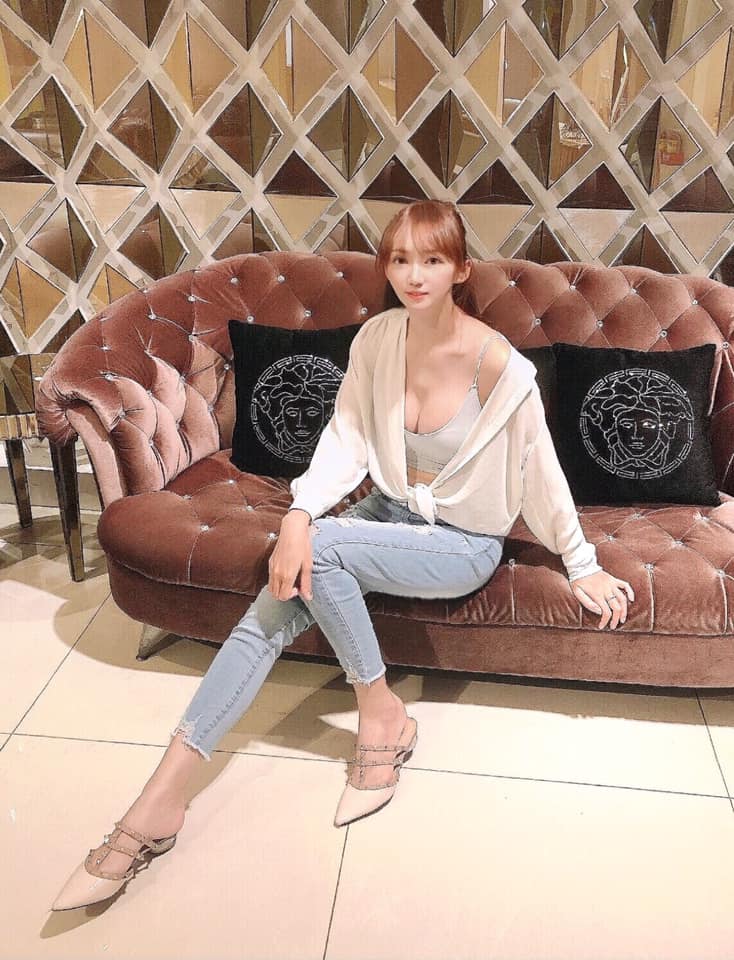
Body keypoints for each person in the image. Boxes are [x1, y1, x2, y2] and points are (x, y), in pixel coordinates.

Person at [51, 200, 634, 911]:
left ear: (460, 269)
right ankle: (158, 802)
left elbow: (541, 474)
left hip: (461, 543)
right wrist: (300, 513)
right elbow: (346, 437)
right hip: (384, 513)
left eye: (432, 260)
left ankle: (379, 712)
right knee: (268, 614)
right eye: (400, 259)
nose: (414, 275)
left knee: (317, 551)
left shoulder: (500, 368)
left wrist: (581, 562)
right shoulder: (379, 339)